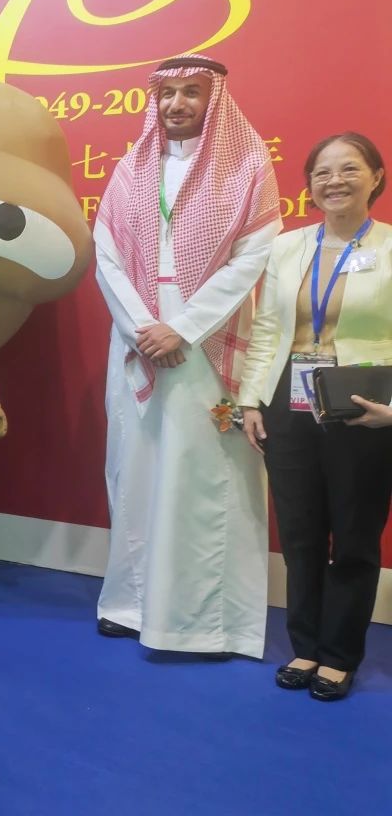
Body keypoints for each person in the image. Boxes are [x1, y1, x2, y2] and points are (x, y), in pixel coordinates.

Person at [94, 53, 282, 657]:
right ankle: (130, 603)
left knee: (203, 477)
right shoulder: (131, 168)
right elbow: (107, 255)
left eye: (192, 92)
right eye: (168, 93)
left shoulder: (247, 167)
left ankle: (208, 623)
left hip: (209, 342)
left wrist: (185, 328)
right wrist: (143, 329)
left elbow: (252, 260)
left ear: (214, 99)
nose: (177, 104)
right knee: (136, 469)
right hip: (138, 340)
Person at [239, 133, 392, 700]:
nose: (334, 181)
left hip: (363, 407)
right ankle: (304, 644)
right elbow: (267, 329)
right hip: (290, 402)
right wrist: (251, 400)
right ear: (309, 185)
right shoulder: (287, 247)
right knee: (300, 531)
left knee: (353, 534)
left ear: (376, 177)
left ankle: (340, 654)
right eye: (322, 172)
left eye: (349, 169)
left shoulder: (390, 246)